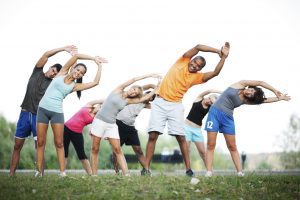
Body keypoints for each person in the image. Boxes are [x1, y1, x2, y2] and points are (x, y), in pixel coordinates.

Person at [145, 42, 230, 176]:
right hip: (160, 102)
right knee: (153, 135)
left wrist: (223, 57)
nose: (195, 65)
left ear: (199, 69)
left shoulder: (197, 77)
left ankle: (188, 169)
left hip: (176, 105)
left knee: (181, 137)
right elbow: (198, 47)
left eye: (199, 66)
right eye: (195, 62)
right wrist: (217, 51)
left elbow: (215, 73)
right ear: (191, 59)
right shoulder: (182, 61)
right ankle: (146, 169)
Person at [35, 52, 107, 177]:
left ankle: (62, 172)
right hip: (42, 109)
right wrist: (93, 57)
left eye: (81, 73)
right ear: (73, 67)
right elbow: (76, 56)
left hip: (57, 112)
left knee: (59, 143)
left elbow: (95, 82)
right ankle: (38, 171)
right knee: (41, 142)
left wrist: (99, 65)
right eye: (78, 69)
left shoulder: (75, 86)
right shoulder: (62, 71)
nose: (78, 73)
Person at [9, 45, 77, 176]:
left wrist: (74, 61)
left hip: (38, 115)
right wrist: (63, 49)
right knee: (17, 145)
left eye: (56, 74)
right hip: (24, 113)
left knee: (39, 145)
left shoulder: (53, 84)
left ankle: (40, 174)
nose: (53, 73)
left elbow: (68, 76)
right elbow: (46, 55)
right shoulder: (37, 72)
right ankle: (11, 174)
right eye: (53, 70)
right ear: (50, 67)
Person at [204, 80, 291, 177]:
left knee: (232, 146)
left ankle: (240, 173)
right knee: (211, 144)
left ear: (251, 98)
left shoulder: (246, 100)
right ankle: (209, 172)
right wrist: (275, 90)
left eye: (251, 94)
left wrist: (280, 98)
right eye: (251, 90)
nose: (249, 92)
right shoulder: (240, 84)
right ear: (251, 87)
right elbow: (260, 82)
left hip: (227, 119)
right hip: (214, 113)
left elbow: (264, 101)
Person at [90, 74, 161, 176]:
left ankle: (129, 174)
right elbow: (135, 80)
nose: (133, 92)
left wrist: (157, 91)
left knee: (119, 149)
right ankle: (97, 174)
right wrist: (151, 77)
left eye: (136, 92)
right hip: (107, 122)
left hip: (116, 125)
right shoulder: (119, 90)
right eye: (133, 89)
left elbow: (148, 101)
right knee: (95, 149)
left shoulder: (131, 101)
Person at [112, 85, 156, 174]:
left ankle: (146, 170)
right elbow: (141, 88)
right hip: (119, 124)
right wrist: (153, 86)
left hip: (131, 127)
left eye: (151, 98)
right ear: (144, 94)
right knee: (116, 149)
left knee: (138, 150)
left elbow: (157, 107)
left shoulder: (145, 104)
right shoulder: (134, 96)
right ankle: (117, 171)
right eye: (149, 96)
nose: (149, 98)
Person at [64, 99, 104, 175]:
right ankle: (62, 172)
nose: (100, 108)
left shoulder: (96, 118)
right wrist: (107, 101)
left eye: (102, 109)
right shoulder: (88, 105)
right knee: (64, 152)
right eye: (100, 106)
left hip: (77, 133)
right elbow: (102, 100)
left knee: (81, 154)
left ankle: (90, 174)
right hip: (65, 128)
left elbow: (96, 128)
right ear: (98, 105)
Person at [184, 89, 220, 168]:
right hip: (186, 128)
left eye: (211, 102)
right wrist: (220, 92)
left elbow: (218, 106)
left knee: (203, 152)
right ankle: (188, 170)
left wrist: (214, 100)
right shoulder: (199, 98)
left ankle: (209, 171)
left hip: (197, 130)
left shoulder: (210, 107)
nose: (209, 102)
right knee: (186, 150)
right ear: (207, 97)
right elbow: (209, 91)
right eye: (209, 99)